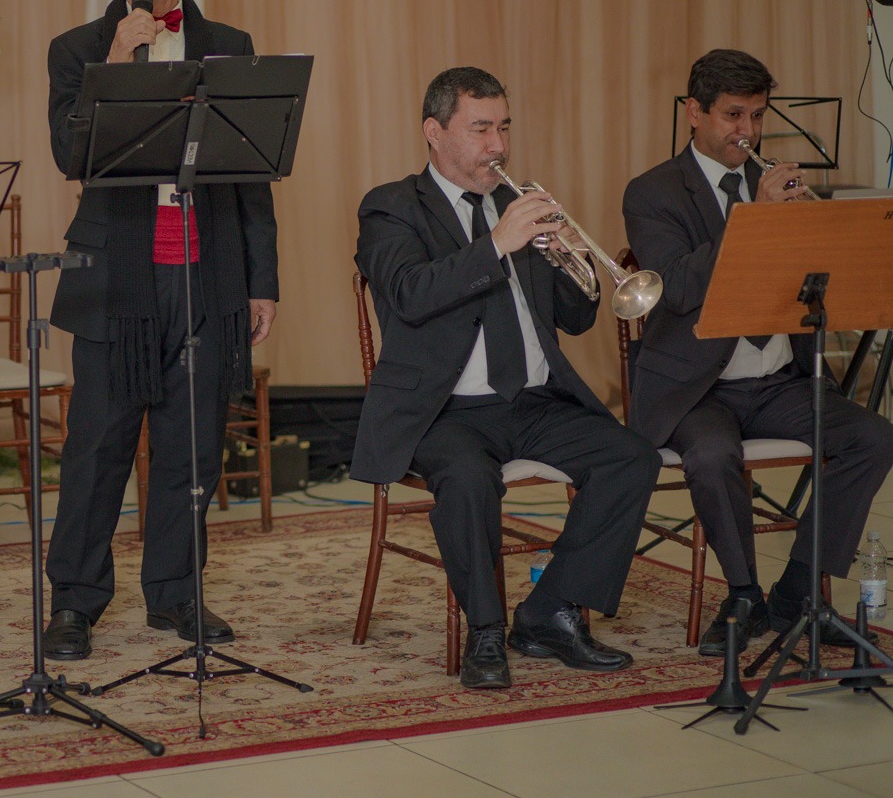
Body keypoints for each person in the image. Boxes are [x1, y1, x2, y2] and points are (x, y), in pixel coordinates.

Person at [352, 67, 660, 690]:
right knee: (468, 480)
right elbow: (410, 294)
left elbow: (575, 320)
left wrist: (573, 260)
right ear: (434, 132)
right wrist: (497, 242)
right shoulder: (392, 206)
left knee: (632, 458)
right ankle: (486, 631)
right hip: (444, 410)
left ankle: (550, 612)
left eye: (504, 127)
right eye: (481, 129)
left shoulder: (518, 206)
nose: (499, 145)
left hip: (534, 400)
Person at [41, 0, 278, 661]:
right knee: (97, 449)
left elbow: (250, 175)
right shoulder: (76, 49)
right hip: (116, 278)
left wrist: (262, 280)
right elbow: (71, 155)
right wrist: (114, 64)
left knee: (192, 448)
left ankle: (176, 594)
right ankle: (74, 602)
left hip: (207, 274)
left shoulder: (229, 45)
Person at [623, 48, 893, 656]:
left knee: (874, 438)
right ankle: (743, 594)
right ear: (694, 112)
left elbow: (820, 282)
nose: (747, 131)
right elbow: (678, 288)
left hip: (777, 381)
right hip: (697, 387)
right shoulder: (652, 192)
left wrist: (815, 233)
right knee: (712, 455)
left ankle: (798, 591)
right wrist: (754, 219)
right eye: (733, 115)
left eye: (758, 116)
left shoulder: (773, 185)